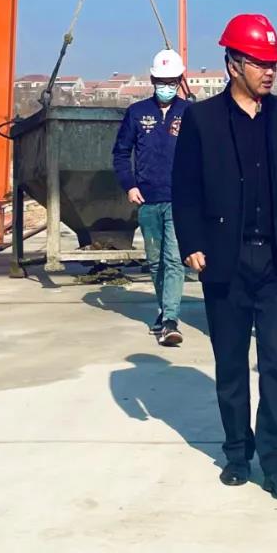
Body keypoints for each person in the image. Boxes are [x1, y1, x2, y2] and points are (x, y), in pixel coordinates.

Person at [172, 13, 277, 501]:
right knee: (231, 363)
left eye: (273, 63)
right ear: (233, 63)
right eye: (260, 62)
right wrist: (192, 243)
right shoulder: (202, 120)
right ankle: (237, 452)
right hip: (224, 260)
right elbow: (185, 188)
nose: (270, 71)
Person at [113, 48, 190, 346]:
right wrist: (130, 185)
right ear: (152, 79)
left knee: (173, 260)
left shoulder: (190, 113)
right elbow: (121, 153)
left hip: (178, 200)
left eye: (171, 81)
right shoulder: (137, 113)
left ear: (180, 80)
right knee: (156, 261)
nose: (166, 86)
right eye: (161, 81)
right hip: (146, 200)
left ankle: (170, 319)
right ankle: (163, 310)